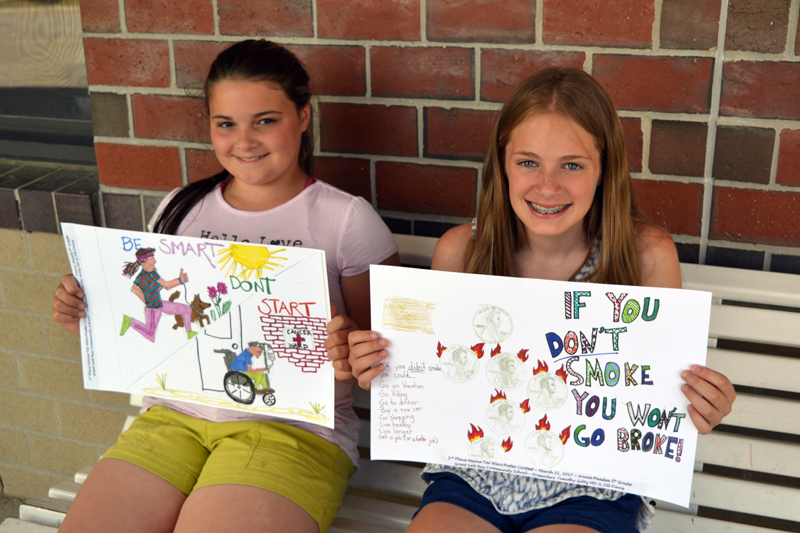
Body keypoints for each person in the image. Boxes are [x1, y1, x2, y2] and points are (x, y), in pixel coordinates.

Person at [348, 68, 736, 533]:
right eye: (528, 162)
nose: (548, 186)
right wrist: (381, 366)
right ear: (502, 165)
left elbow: (661, 397)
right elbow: (433, 377)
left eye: (571, 165)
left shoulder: (645, 255)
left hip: (593, 488)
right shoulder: (461, 251)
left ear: (604, 170)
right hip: (473, 476)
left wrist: (699, 405)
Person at [51, 39, 399, 533]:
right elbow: (147, 310)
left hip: (290, 430)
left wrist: (352, 352)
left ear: (302, 116)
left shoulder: (345, 220)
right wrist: (87, 307)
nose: (245, 140)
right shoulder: (180, 207)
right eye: (226, 124)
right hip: (171, 419)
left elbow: (383, 360)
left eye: (265, 120)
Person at [120, 247, 195, 342]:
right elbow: (135, 289)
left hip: (159, 304)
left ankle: (189, 332)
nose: (155, 261)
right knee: (151, 335)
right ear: (144, 262)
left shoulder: (153, 273)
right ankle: (130, 321)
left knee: (186, 309)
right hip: (153, 309)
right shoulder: (142, 277)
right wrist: (148, 302)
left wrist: (180, 281)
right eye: (151, 259)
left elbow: (166, 286)